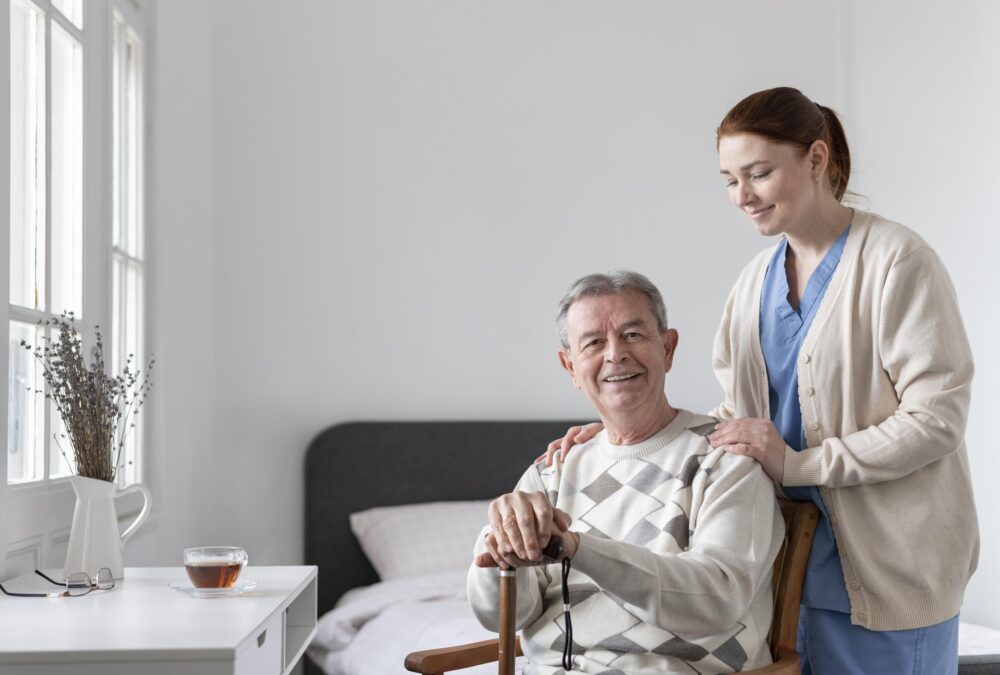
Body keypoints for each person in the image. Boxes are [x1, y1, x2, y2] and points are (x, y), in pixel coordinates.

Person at [540, 87, 978, 674]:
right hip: (786, 574)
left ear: (816, 160)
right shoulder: (754, 282)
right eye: (728, 180)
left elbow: (936, 421)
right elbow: (737, 423)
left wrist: (797, 465)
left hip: (889, 565)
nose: (741, 196)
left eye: (759, 174)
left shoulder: (896, 262)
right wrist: (618, 429)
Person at [469, 270, 784, 674]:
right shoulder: (552, 471)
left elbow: (716, 600)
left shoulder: (725, 460)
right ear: (570, 366)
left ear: (668, 348)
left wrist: (578, 549)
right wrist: (499, 547)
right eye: (594, 343)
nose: (615, 354)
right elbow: (507, 617)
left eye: (633, 335)